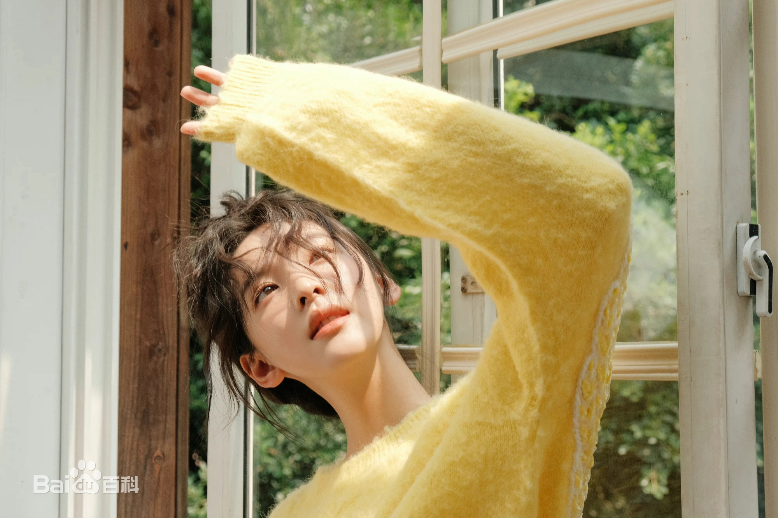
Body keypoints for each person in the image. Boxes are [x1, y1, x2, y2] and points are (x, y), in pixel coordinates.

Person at [178, 56, 632, 517]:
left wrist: (298, 109)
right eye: (265, 291)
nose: (306, 286)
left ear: (381, 282)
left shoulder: (505, 414)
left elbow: (589, 207)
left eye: (318, 254)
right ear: (259, 366)